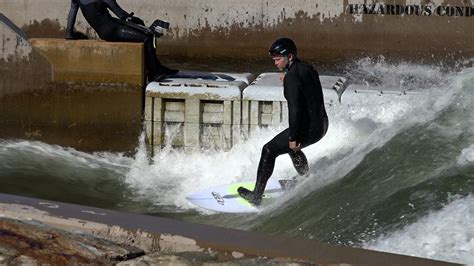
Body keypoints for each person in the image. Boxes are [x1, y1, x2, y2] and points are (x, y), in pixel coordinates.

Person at [238, 37, 329, 206]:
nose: (275, 63)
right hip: (322, 124)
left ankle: (256, 196)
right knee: (290, 148)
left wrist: (294, 137)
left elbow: (295, 110)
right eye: (274, 60)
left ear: (290, 56)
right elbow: (306, 87)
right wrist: (289, 76)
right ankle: (306, 178)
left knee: (269, 150)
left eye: (278, 59)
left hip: (308, 129)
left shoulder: (292, 78)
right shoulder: (306, 68)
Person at [65, 0, 178, 81]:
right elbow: (121, 14)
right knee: (147, 38)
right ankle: (154, 73)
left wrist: (69, 34)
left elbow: (72, 14)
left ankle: (158, 67)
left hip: (105, 30)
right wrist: (136, 20)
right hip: (113, 29)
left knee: (146, 33)